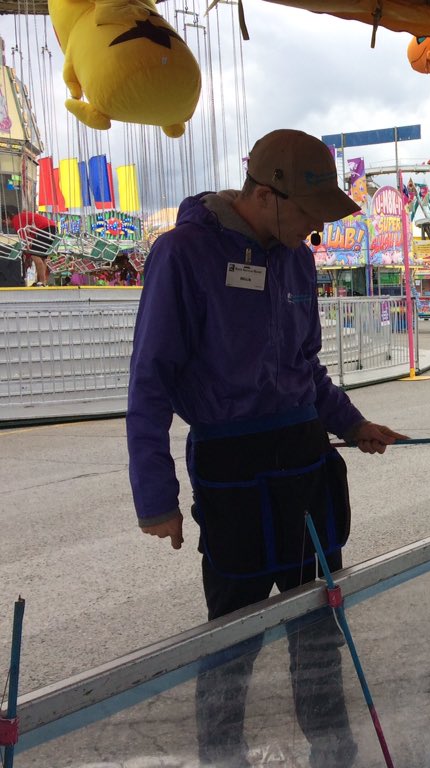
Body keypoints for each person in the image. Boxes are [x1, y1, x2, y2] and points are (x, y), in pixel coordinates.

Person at [126, 128, 407, 767]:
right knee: (234, 637)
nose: (316, 229)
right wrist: (155, 496)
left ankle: (334, 754)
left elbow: (307, 370)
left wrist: (353, 425)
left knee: (318, 624)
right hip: (233, 469)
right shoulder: (182, 254)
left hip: (306, 459)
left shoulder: (295, 259)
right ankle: (222, 759)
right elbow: (150, 382)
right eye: (309, 213)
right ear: (265, 192)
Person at [7, 208, 58, 286]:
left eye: (4, 222)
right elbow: (31, 237)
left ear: (8, 218)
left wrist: (28, 257)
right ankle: (41, 281)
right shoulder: (22, 218)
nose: (4, 224)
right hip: (50, 227)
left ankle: (42, 282)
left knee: (35, 255)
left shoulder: (16, 220)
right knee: (42, 257)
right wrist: (28, 256)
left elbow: (23, 239)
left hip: (46, 228)